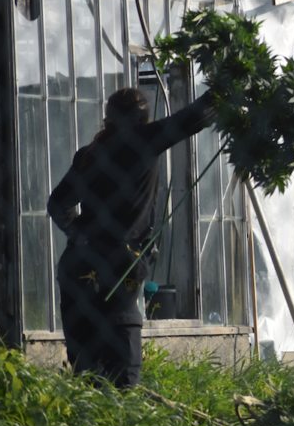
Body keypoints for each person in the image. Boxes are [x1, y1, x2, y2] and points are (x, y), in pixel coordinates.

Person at [47, 87, 213, 388]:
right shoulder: (144, 140)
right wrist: (225, 91)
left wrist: (80, 236)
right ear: (143, 116)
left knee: (86, 365)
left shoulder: (88, 155)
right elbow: (191, 118)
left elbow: (58, 204)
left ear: (108, 117)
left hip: (78, 263)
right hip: (121, 261)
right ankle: (122, 408)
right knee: (123, 361)